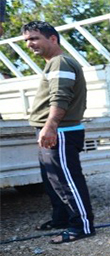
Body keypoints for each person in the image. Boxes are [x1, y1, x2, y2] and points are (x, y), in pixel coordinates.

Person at [22, 21, 96, 243]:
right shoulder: (53, 63)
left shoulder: (60, 62)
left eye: (34, 38)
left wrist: (50, 125)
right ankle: (61, 218)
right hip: (54, 131)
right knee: (53, 180)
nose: (29, 44)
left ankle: (82, 225)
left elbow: (60, 97)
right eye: (26, 40)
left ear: (53, 38)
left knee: (67, 181)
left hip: (61, 131)